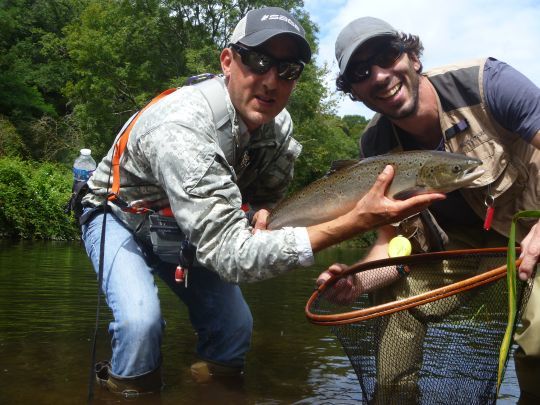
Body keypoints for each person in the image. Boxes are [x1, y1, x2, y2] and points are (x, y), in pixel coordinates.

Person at [78, 8, 444, 397]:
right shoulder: (181, 125)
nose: (271, 81)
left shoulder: (279, 128)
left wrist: (262, 214)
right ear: (227, 61)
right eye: (259, 61)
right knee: (140, 324)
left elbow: (263, 201)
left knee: (235, 329)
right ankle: (127, 390)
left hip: (189, 228)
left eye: (288, 70)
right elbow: (230, 257)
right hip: (117, 215)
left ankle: (207, 389)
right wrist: (354, 221)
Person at [318, 16, 540, 403]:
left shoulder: (488, 84)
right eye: (361, 71)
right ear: (355, 91)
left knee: (539, 341)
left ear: (414, 57)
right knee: (391, 298)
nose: (380, 75)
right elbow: (389, 244)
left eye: (388, 55)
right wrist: (357, 279)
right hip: (462, 251)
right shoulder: (375, 146)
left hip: (532, 235)